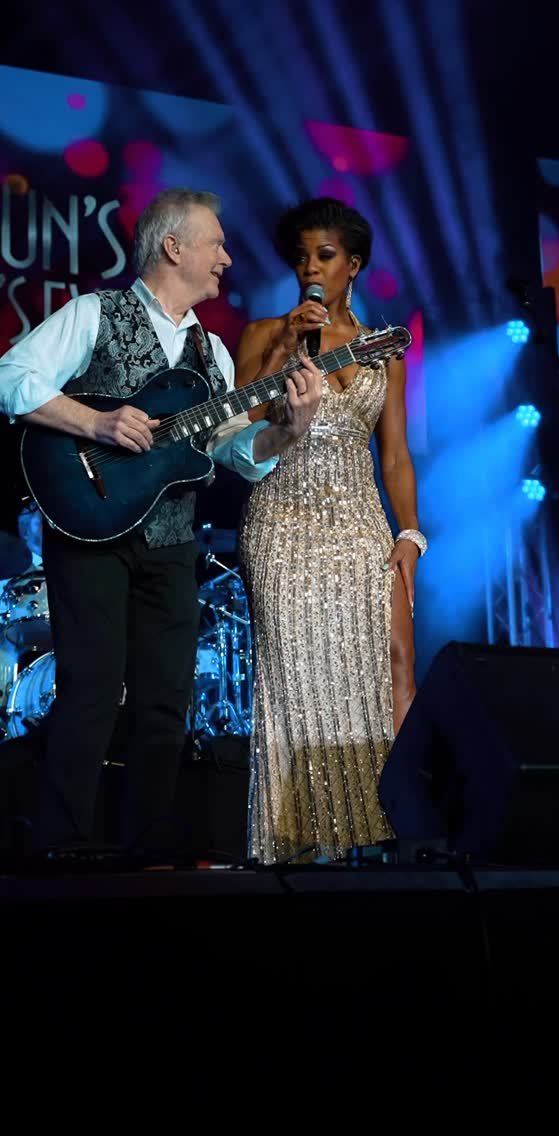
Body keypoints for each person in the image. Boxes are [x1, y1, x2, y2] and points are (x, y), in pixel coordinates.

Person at [0, 187, 322, 854]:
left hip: (171, 542)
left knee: (165, 699)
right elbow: (10, 376)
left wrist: (289, 429)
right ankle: (62, 846)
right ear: (174, 247)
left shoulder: (213, 352)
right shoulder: (96, 313)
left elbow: (235, 451)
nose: (227, 259)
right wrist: (94, 422)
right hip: (89, 526)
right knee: (90, 690)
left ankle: (147, 850)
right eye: (216, 244)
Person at [235, 196, 426, 864]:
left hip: (361, 524)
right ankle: (299, 845)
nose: (310, 269)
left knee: (394, 664)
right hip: (282, 521)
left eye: (324, 256)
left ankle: (393, 831)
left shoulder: (385, 349)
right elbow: (239, 428)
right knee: (296, 679)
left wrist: (411, 534)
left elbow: (395, 456)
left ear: (354, 265)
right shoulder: (263, 332)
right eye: (301, 258)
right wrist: (285, 344)